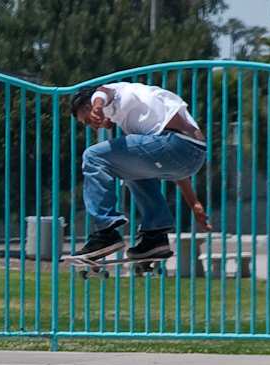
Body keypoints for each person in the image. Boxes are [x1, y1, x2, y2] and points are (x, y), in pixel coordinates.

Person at [69, 82, 212, 260]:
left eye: (88, 120)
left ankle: (105, 232)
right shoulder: (144, 112)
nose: (93, 126)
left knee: (92, 156)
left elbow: (103, 92)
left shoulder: (114, 91)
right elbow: (179, 169)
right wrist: (194, 203)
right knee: (128, 167)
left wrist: (97, 108)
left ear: (89, 105)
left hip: (173, 142)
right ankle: (156, 237)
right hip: (192, 155)